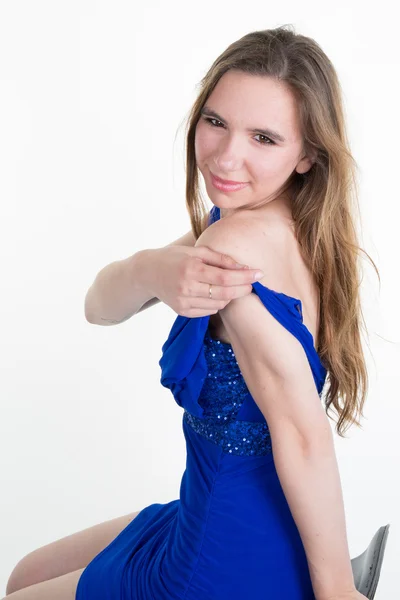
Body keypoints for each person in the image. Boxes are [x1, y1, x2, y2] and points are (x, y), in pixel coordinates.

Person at [4, 25, 378, 600]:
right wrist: (156, 270)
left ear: (307, 155)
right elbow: (96, 307)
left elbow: (305, 435)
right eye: (216, 122)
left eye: (264, 138)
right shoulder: (283, 222)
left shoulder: (233, 255)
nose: (228, 156)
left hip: (221, 554)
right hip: (214, 511)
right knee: (28, 573)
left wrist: (334, 591)